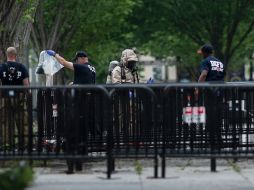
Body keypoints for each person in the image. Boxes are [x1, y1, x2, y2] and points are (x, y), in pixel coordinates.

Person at [197, 44, 225, 168]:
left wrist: (197, 87)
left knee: (210, 116)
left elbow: (203, 74)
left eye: (201, 52)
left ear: (204, 52)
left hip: (210, 91)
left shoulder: (205, 61)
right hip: (220, 90)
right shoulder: (219, 62)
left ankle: (212, 142)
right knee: (218, 116)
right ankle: (219, 141)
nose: (201, 55)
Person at [0, 47, 30, 151]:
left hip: (5, 98)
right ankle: (25, 145)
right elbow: (26, 84)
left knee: (5, 122)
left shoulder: (1, 67)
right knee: (23, 121)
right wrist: (28, 95)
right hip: (19, 97)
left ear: (7, 55)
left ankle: (7, 145)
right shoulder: (22, 67)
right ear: (15, 55)